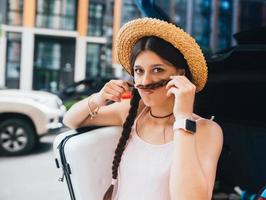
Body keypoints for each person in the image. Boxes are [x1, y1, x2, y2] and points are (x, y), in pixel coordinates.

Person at [63, 18, 223, 200]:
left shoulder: (206, 131)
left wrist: (183, 119)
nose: (145, 81)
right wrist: (98, 98)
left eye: (157, 70)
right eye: (139, 71)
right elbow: (70, 119)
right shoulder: (131, 113)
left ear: (180, 75)